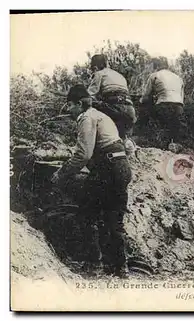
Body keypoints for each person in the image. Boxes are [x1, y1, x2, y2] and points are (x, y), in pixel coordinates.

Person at [51, 84, 132, 278]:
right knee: (114, 220)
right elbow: (126, 148)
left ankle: (93, 264)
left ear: (79, 104)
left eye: (69, 105)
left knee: (87, 215)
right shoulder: (102, 116)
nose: (68, 110)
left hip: (107, 170)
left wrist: (61, 174)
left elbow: (83, 154)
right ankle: (120, 268)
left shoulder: (86, 117)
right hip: (121, 167)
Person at [87, 54, 137, 154]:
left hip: (115, 108)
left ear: (95, 68)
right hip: (130, 110)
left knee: (91, 105)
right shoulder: (120, 76)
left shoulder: (99, 73)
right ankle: (129, 148)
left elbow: (89, 95)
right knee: (122, 135)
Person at [140, 57, 187, 148]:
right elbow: (181, 98)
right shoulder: (178, 77)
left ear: (157, 66)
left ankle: (142, 134)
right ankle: (175, 143)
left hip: (163, 105)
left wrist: (141, 102)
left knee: (146, 108)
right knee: (175, 126)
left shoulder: (155, 75)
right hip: (178, 106)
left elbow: (146, 96)